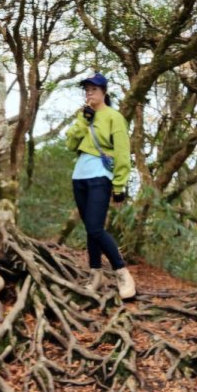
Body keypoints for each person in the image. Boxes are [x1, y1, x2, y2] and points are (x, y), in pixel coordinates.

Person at [65, 73, 136, 299]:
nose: (89, 93)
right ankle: (95, 274)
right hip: (80, 176)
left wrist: (119, 185)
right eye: (86, 90)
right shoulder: (83, 116)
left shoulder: (114, 117)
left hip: (101, 176)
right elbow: (70, 144)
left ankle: (122, 273)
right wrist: (83, 120)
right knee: (90, 229)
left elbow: (123, 152)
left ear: (104, 92)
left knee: (96, 228)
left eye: (93, 89)